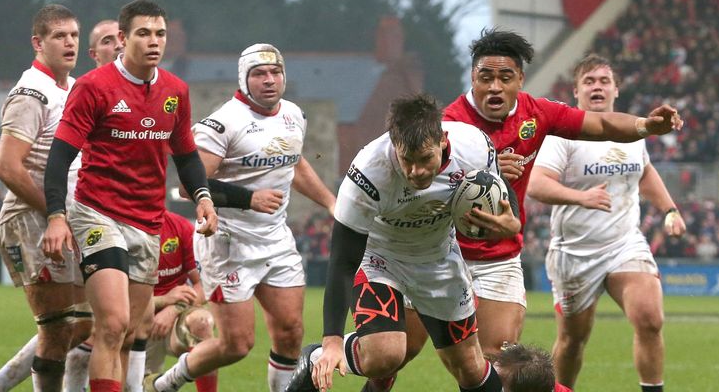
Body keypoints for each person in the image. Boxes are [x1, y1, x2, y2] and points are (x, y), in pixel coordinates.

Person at [399, 28, 683, 374]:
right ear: (473, 77)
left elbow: (603, 123)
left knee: (498, 359)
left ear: (520, 79)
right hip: (439, 251)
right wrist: (483, 168)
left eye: (505, 77)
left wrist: (645, 126)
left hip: (498, 257)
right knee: (398, 352)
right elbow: (416, 184)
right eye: (485, 77)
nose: (494, 87)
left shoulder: (537, 114)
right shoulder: (449, 124)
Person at [286, 94, 521, 392]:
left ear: (443, 140)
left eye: (425, 159)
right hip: (381, 258)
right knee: (386, 355)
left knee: (471, 368)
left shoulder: (474, 146)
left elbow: (498, 189)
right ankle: (315, 356)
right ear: (393, 145)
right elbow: (343, 261)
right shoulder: (367, 175)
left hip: (437, 258)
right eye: (406, 160)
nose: (416, 172)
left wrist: (512, 221)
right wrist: (331, 341)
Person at [42, 0, 217, 392]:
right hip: (97, 214)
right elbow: (58, 159)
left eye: (160, 34)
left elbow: (187, 156)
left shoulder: (176, 91)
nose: (154, 41)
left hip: (148, 221)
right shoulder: (93, 87)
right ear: (122, 38)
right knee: (114, 322)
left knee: (130, 333)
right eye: (143, 33)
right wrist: (56, 215)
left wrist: (203, 196)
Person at [144, 43, 336, 392]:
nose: (269, 80)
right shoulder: (224, 123)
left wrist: (331, 203)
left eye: (275, 72)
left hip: (275, 240)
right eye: (259, 74)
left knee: (291, 331)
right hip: (228, 242)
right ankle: (164, 384)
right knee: (236, 344)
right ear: (244, 79)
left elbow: (295, 162)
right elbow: (190, 186)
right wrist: (249, 198)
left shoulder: (293, 114)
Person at [527, 54, 686, 392]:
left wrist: (670, 209)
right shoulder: (563, 135)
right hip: (575, 252)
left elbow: (644, 172)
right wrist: (580, 197)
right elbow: (537, 184)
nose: (596, 86)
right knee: (572, 341)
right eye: (589, 81)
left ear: (616, 90)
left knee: (650, 318)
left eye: (603, 81)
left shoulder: (631, 131)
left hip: (623, 242)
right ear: (576, 92)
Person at [0, 16, 125, 392]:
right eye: (58, 36)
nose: (68, 43)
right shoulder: (31, 92)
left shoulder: (70, 89)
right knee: (57, 328)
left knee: (85, 324)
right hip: (30, 221)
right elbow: (7, 165)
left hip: (64, 219)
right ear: (38, 43)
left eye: (73, 35)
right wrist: (55, 213)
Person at [121, 210, 216, 392]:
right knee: (138, 387)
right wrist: (163, 300)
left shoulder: (180, 226)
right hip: (135, 322)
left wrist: (173, 308)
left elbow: (203, 285)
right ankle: (158, 384)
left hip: (174, 319)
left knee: (202, 322)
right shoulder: (118, 231)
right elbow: (115, 298)